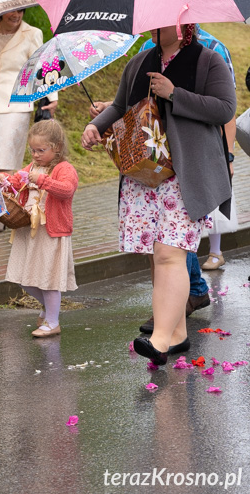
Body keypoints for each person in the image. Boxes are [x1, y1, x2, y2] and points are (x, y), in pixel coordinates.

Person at [82, 23, 235, 366]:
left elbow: (225, 109)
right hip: (144, 176)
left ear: (182, 26)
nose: (152, 27)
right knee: (157, 256)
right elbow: (121, 105)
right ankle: (177, 332)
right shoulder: (138, 63)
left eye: (160, 21)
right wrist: (96, 126)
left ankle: (161, 340)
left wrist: (174, 93)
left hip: (187, 174)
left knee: (170, 254)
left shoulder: (208, 60)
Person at [0, 10, 58, 233]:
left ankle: (2, 214)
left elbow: (43, 65)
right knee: (3, 159)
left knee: (4, 160)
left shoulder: (32, 33)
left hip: (17, 101)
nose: (17, 15)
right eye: (12, 11)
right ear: (1, 12)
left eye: (21, 10)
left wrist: (53, 96)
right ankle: (19, 208)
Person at [1, 120, 78, 338]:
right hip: (29, 229)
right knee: (26, 278)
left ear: (57, 147)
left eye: (41, 150)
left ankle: (52, 321)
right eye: (32, 150)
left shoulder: (64, 169)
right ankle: (49, 309)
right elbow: (16, 181)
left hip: (50, 231)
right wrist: (4, 180)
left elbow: (67, 190)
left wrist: (43, 180)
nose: (35, 155)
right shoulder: (31, 168)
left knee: (49, 278)